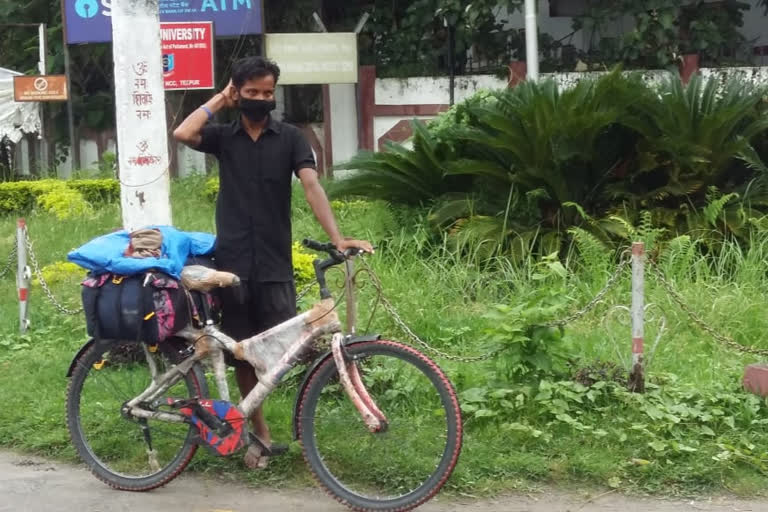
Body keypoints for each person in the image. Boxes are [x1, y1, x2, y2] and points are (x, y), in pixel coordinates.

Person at [173, 56, 372, 470]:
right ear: (238, 93)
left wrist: (338, 239)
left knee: (273, 350)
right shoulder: (224, 137)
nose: (262, 99)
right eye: (252, 93)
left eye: (268, 93)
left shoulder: (291, 138)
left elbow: (312, 185)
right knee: (243, 351)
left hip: (274, 261)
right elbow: (183, 131)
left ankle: (252, 422)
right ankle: (257, 434)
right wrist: (220, 99)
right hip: (232, 265)